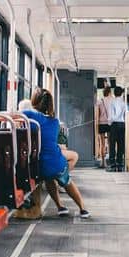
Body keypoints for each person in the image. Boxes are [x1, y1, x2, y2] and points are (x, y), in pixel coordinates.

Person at [22, 88, 90, 219]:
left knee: (49, 177)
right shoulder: (55, 122)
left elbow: (12, 115)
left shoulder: (28, 115)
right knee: (66, 180)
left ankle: (61, 207)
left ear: (34, 101)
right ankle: (83, 208)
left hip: (36, 166)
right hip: (54, 163)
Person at [107, 86, 126, 172]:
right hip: (122, 124)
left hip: (114, 125)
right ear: (121, 93)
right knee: (121, 144)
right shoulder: (124, 103)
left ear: (114, 93)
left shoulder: (112, 102)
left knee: (112, 144)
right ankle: (120, 163)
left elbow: (111, 115)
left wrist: (109, 122)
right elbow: (125, 115)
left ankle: (112, 164)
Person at [96, 86, 113, 168]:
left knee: (102, 143)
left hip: (101, 123)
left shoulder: (100, 101)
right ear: (109, 92)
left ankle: (103, 162)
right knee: (110, 143)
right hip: (110, 123)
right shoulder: (112, 101)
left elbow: (97, 114)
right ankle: (110, 161)